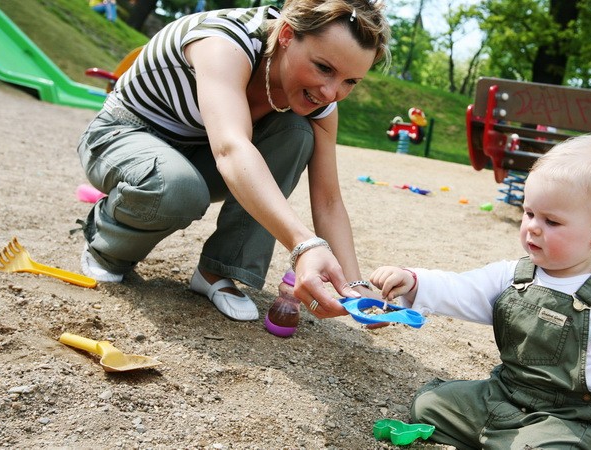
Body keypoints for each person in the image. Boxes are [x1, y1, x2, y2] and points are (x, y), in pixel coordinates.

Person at [370, 135, 591, 449]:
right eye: (529, 213)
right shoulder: (513, 275)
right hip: (504, 395)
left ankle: (580, 444)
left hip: (568, 419)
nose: (533, 227)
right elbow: (462, 289)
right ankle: (503, 437)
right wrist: (413, 281)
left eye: (551, 221)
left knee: (543, 445)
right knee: (429, 404)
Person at [76, 0, 390, 321]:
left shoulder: (320, 100)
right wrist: (304, 245)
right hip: (122, 135)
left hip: (199, 154)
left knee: (297, 131)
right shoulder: (224, 42)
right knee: (176, 188)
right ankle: (107, 247)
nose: (330, 92)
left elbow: (328, 201)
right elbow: (230, 149)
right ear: (285, 34)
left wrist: (355, 286)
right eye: (324, 68)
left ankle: (217, 271)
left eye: (350, 81)